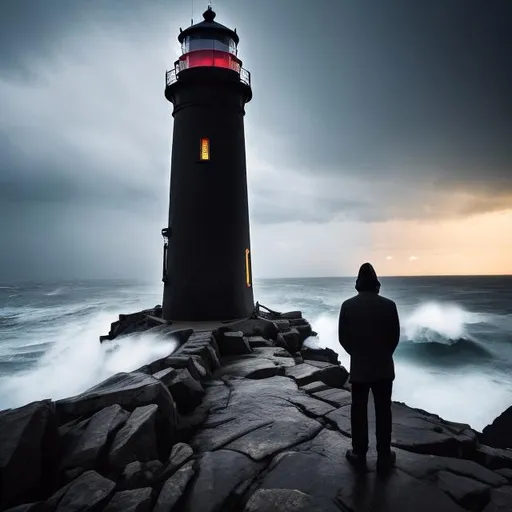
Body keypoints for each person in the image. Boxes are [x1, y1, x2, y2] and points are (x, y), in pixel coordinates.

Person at [338, 262, 400, 471]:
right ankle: (383, 455)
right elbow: (395, 337)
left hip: (360, 368)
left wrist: (357, 354)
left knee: (359, 411)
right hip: (383, 367)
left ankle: (359, 452)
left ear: (358, 283)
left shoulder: (347, 306)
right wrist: (383, 354)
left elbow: (342, 338)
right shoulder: (389, 305)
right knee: (384, 411)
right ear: (376, 284)